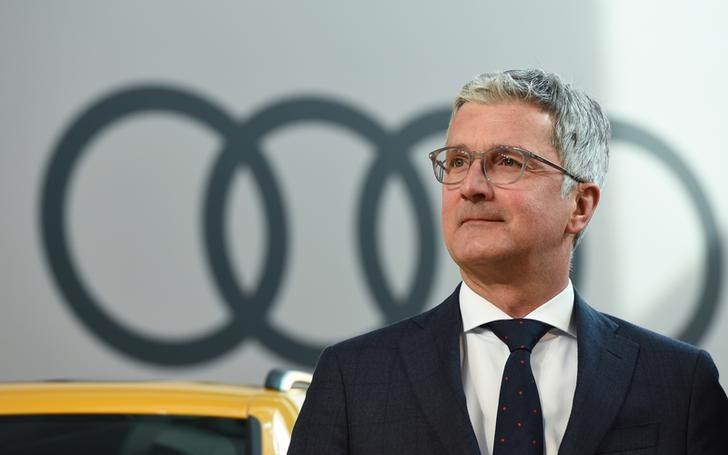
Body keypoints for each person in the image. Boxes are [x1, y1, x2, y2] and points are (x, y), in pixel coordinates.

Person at [287, 69, 728, 455]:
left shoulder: (679, 383)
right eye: (457, 161)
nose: (471, 186)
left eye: (506, 162)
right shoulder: (354, 379)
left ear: (579, 205)